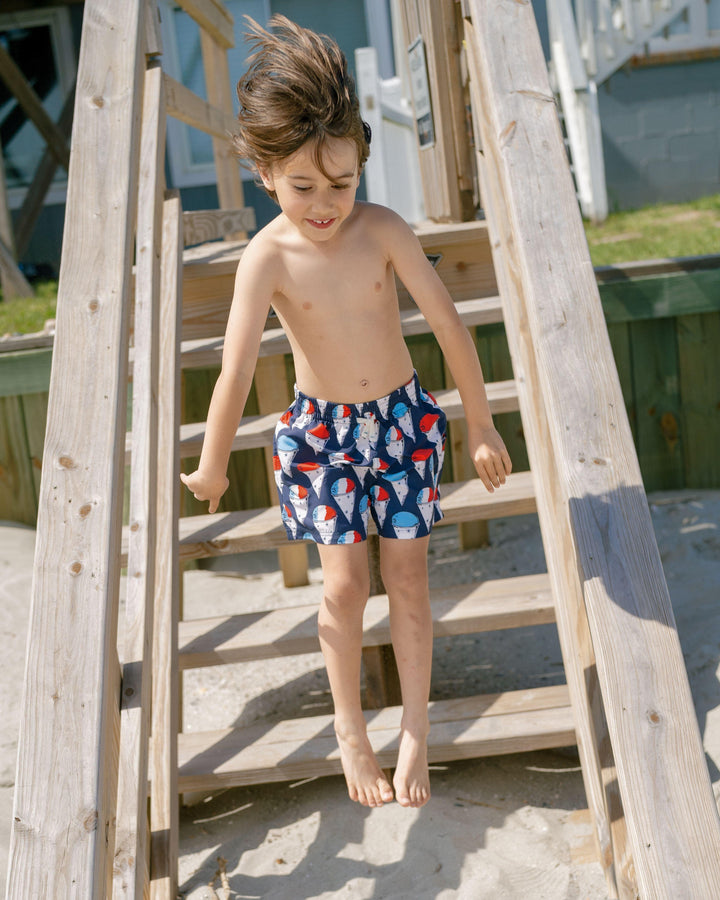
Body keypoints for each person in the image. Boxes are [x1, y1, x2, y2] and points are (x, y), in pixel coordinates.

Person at [180, 14, 512, 810]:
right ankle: (350, 729)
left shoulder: (383, 230)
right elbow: (234, 369)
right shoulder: (266, 257)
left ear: (361, 165)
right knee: (343, 584)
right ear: (265, 172)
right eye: (304, 187)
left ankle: (415, 731)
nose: (327, 204)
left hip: (400, 424)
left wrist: (481, 423)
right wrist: (213, 465)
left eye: (343, 182)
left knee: (408, 577)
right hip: (322, 437)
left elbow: (448, 325)